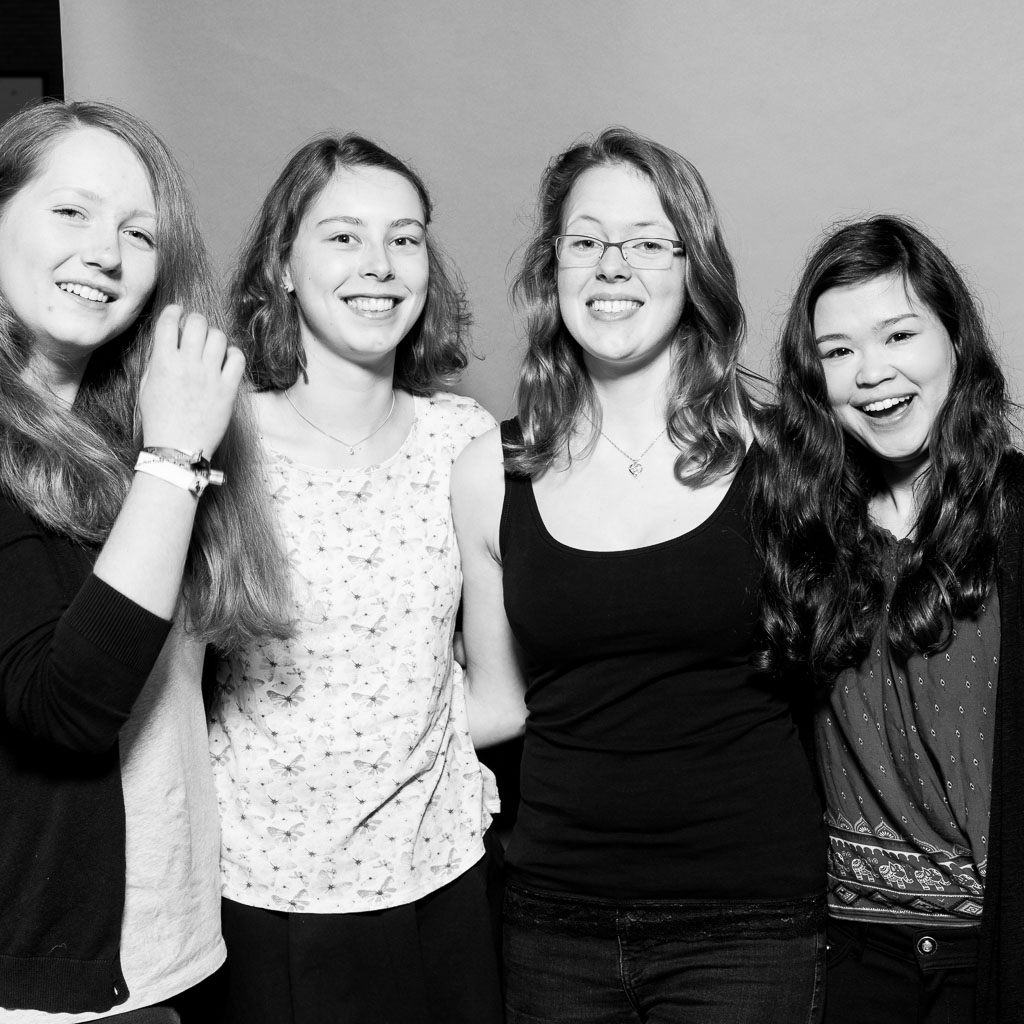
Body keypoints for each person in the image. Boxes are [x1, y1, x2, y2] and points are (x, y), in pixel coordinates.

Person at [452, 126, 826, 1024]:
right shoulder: (488, 471)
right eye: (586, 241)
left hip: (748, 926)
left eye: (648, 242)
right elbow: (497, 703)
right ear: (552, 268)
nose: (612, 265)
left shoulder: (780, 452)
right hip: (555, 923)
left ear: (693, 267)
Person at [0, 100, 290, 1021]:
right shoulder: (169, 443)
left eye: (139, 232)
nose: (107, 253)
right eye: (70, 212)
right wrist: (173, 459)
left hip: (164, 954)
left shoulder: (131, 425)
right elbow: (68, 708)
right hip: (36, 979)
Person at [207, 133, 503, 1024]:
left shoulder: (462, 439)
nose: (379, 264)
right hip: (262, 892)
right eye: (343, 236)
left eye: (404, 238)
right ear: (282, 265)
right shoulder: (216, 441)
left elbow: (503, 694)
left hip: (442, 880)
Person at [756, 215, 1023, 1023]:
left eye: (899, 334)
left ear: (955, 339)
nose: (872, 373)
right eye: (838, 351)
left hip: (997, 949)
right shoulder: (798, 527)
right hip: (851, 954)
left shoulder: (1017, 513)